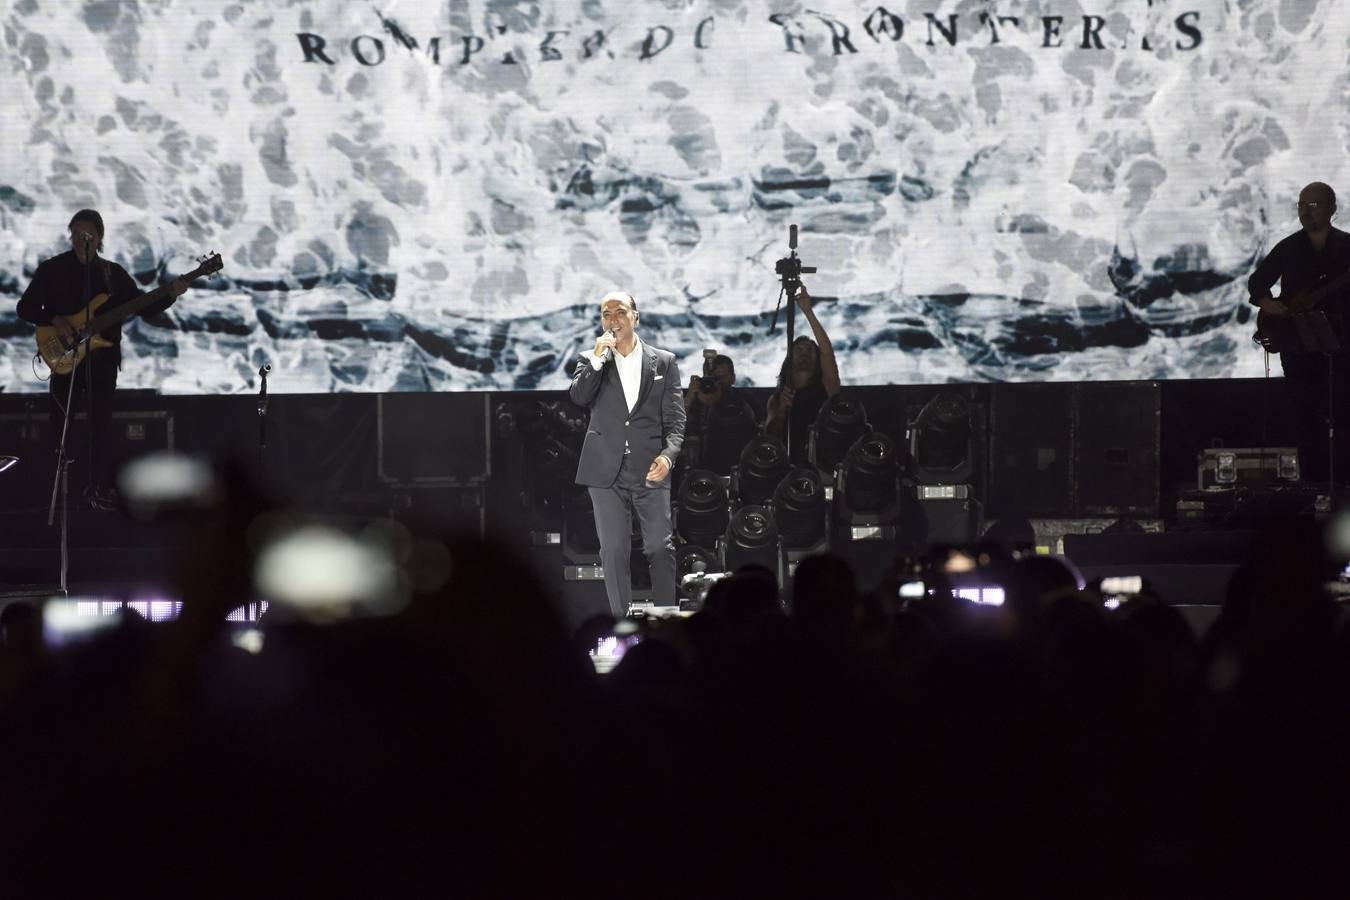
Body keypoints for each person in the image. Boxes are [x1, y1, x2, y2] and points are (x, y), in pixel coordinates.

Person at [16, 210, 186, 509]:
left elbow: (143, 306)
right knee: (61, 424)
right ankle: (55, 491)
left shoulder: (113, 274)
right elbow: (25, 307)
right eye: (78, 234)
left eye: (89, 235)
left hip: (103, 359)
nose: (84, 240)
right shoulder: (52, 270)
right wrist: (54, 318)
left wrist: (172, 293)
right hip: (64, 354)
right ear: (70, 235)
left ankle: (97, 488)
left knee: (100, 426)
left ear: (99, 237)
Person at [569, 291, 686, 616]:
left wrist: (668, 456)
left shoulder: (663, 362)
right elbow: (579, 397)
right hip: (605, 470)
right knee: (614, 549)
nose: (612, 320)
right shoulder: (590, 360)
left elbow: (676, 420)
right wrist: (595, 359)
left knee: (659, 548)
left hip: (650, 467)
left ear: (635, 316)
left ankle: (665, 618)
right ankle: (622, 621)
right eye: (606, 314)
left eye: (619, 312)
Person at [1248, 182, 1350, 482]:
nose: (1306, 211)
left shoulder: (1346, 246)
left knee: (1343, 415)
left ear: (1332, 208)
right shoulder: (1289, 246)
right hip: (1297, 345)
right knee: (1304, 416)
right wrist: (1270, 304)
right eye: (1301, 205)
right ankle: (1312, 484)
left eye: (1314, 205)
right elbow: (1258, 282)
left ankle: (1342, 484)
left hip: (1343, 346)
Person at [763, 286, 841, 464]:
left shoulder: (827, 386)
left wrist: (808, 311)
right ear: (789, 358)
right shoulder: (776, 399)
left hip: (823, 466)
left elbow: (828, 353)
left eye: (810, 350)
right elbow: (771, 437)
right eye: (798, 349)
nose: (804, 352)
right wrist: (782, 409)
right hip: (788, 467)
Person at [684, 353, 760, 474]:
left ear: (733, 378)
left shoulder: (745, 401)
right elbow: (673, 428)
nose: (717, 384)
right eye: (713, 379)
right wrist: (690, 397)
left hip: (738, 468)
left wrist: (714, 403)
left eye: (721, 379)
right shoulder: (695, 400)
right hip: (701, 470)